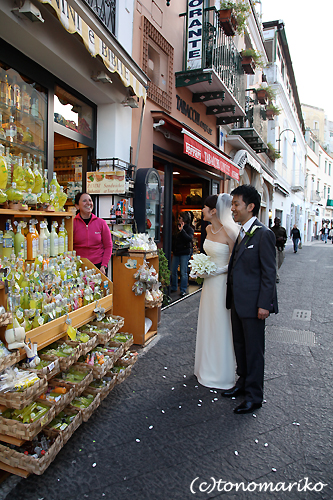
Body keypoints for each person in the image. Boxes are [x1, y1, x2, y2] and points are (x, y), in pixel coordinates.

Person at [223, 185, 278, 414]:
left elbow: (269, 273)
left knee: (254, 351)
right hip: (237, 301)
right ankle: (242, 382)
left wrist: (264, 304)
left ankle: (254, 396)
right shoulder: (241, 232)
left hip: (255, 304)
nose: (233, 209)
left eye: (236, 204)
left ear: (250, 206)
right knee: (240, 345)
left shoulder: (264, 234)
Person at [194, 194, 239, 389]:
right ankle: (204, 367)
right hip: (208, 285)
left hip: (221, 283)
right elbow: (207, 254)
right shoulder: (207, 228)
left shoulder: (230, 231)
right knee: (208, 321)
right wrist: (200, 268)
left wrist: (215, 270)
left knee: (220, 322)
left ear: (213, 210)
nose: (202, 210)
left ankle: (221, 372)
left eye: (204, 207)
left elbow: (236, 261)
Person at [73, 192, 112, 275]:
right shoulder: (72, 224)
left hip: (99, 267)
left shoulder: (101, 223)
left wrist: (104, 265)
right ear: (77, 206)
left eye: (90, 200)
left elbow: (108, 246)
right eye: (84, 201)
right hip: (79, 267)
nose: (88, 203)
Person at [171, 212, 194, 297]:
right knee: (173, 270)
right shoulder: (177, 228)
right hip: (177, 252)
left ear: (184, 219)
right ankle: (174, 287)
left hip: (184, 253)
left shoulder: (189, 229)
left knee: (183, 272)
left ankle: (183, 290)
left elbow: (189, 239)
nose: (178, 219)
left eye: (180, 217)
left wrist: (182, 231)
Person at [271, 217, 287, 283]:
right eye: (276, 221)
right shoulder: (272, 230)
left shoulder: (282, 229)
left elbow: (285, 237)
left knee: (280, 261)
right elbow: (270, 239)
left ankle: (275, 272)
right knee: (276, 262)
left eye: (278, 221)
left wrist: (283, 239)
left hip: (281, 247)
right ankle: (276, 276)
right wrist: (277, 239)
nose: (277, 222)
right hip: (275, 247)